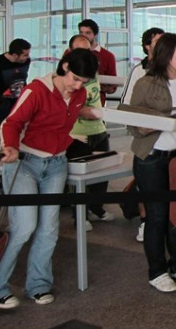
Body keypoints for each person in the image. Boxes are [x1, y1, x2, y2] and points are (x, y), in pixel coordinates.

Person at [0, 48, 98, 310]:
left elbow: (65, 119)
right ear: (63, 66)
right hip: (25, 163)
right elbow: (10, 123)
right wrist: (11, 147)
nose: (77, 86)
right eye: (74, 78)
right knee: (24, 227)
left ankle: (38, 285)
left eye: (83, 82)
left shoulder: (79, 94)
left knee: (49, 230)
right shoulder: (37, 90)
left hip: (57, 164)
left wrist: (86, 114)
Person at [127, 32, 176, 293]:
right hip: (151, 159)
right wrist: (147, 128)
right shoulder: (146, 82)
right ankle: (157, 271)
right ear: (167, 55)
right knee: (157, 217)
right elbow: (133, 121)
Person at [64, 35, 115, 232]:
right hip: (77, 134)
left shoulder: (93, 72)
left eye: (88, 50)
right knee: (80, 179)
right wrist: (80, 111)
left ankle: (96, 207)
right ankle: (80, 215)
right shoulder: (65, 76)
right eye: (79, 50)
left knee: (103, 173)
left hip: (99, 130)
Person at [121, 27, 164, 242]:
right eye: (157, 42)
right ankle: (145, 222)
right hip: (147, 140)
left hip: (169, 142)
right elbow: (126, 104)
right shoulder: (139, 71)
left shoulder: (173, 70)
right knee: (144, 183)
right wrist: (140, 129)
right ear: (147, 46)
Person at [0, 38, 32, 145]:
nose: (28, 57)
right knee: (3, 138)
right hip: (0, 106)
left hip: (18, 104)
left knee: (22, 136)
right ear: (15, 55)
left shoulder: (26, 61)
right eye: (25, 55)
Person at [78, 19, 117, 105]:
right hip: (72, 102)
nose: (83, 36)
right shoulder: (70, 52)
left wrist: (100, 87)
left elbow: (113, 86)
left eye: (88, 33)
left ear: (95, 34)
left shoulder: (107, 56)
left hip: (95, 104)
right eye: (81, 32)